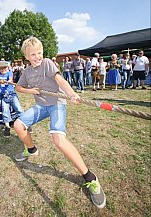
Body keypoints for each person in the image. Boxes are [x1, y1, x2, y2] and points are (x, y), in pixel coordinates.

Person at [13, 36, 106, 208]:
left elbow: (60, 80)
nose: (37, 57)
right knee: (18, 125)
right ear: (26, 56)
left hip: (56, 104)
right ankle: (31, 150)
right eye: (33, 54)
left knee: (58, 140)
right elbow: (18, 88)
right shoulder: (26, 72)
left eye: (39, 53)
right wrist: (30, 90)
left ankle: (90, 178)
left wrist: (71, 93)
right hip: (41, 105)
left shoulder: (47, 63)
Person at [0, 61, 23, 136]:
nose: (3, 69)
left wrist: (8, 81)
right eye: (1, 68)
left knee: (18, 108)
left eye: (4, 67)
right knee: (5, 110)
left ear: (7, 67)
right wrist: (0, 82)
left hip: (11, 94)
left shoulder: (10, 73)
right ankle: (7, 126)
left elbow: (10, 80)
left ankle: (25, 123)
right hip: (3, 95)